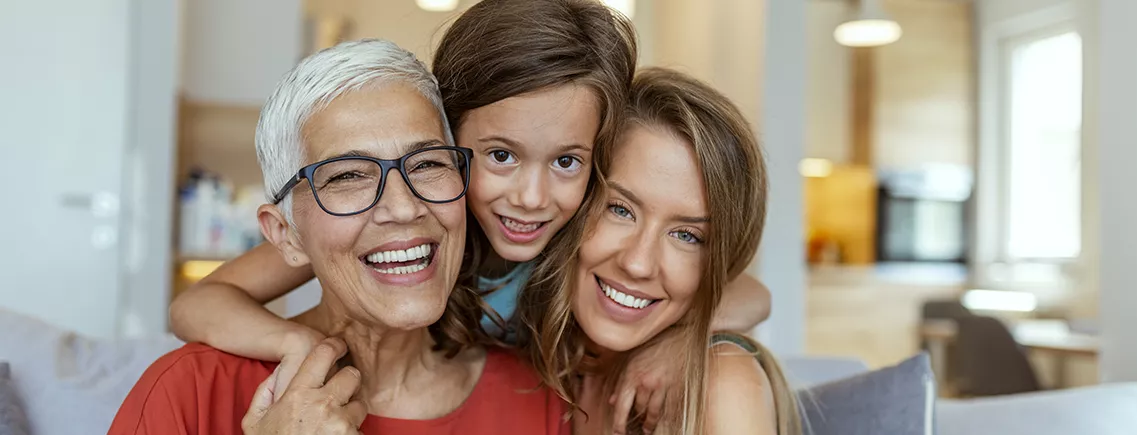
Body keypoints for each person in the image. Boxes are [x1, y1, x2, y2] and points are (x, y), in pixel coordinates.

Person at [168, 0, 774, 425]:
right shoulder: (406, 227)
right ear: (443, 145)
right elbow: (197, 303)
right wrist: (305, 347)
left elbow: (748, 295)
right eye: (501, 155)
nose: (532, 198)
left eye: (567, 162)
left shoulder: (582, 243)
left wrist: (676, 341)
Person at [109, 39, 566, 435]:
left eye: (427, 164)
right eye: (348, 176)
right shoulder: (188, 390)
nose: (405, 207)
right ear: (285, 234)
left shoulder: (541, 400)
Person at [517, 67, 802, 435]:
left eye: (686, 235)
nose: (638, 263)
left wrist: (695, 335)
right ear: (575, 201)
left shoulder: (723, 385)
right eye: (620, 210)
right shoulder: (539, 352)